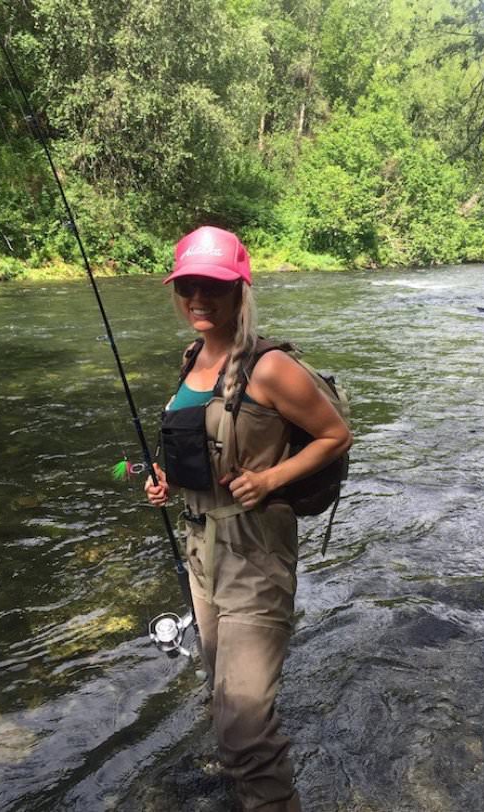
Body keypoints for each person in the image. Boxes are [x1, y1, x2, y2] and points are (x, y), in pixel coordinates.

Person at [145, 226, 353, 811]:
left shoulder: (270, 367)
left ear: (241, 290)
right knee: (223, 694)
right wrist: (169, 482)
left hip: (254, 553)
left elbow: (335, 435)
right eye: (188, 285)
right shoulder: (192, 357)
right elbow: (200, 442)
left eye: (214, 285)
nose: (199, 298)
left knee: (244, 729)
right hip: (200, 549)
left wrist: (270, 479)